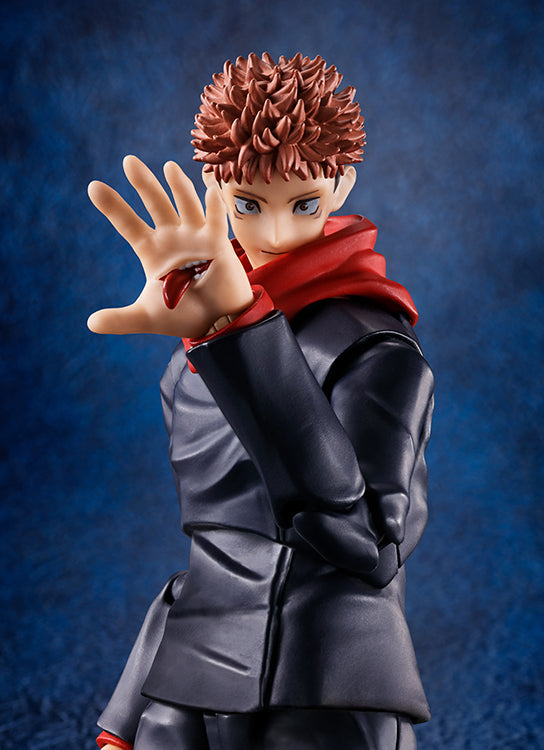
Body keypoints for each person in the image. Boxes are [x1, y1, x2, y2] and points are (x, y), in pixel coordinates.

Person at [88, 53, 434, 750]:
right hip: (189, 685)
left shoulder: (375, 348)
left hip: (328, 685)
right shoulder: (193, 361)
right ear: (215, 188)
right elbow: (211, 552)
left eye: (302, 204)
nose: (276, 234)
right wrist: (127, 711)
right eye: (249, 205)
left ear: (341, 184)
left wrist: (240, 332)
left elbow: (370, 544)